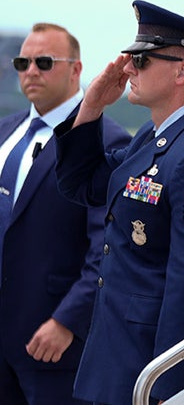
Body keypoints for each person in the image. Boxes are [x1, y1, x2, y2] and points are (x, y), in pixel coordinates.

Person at [54, 2, 184, 404]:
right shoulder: (153, 138)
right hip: (115, 360)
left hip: (149, 372)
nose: (129, 69)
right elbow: (82, 185)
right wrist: (92, 106)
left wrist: (168, 385)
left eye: (140, 58)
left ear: (182, 71)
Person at [0, 24, 130, 405]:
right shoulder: (6, 132)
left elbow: (106, 247)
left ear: (76, 70)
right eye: (23, 62)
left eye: (44, 62)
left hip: (52, 342)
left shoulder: (105, 141)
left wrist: (68, 320)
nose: (31, 71)